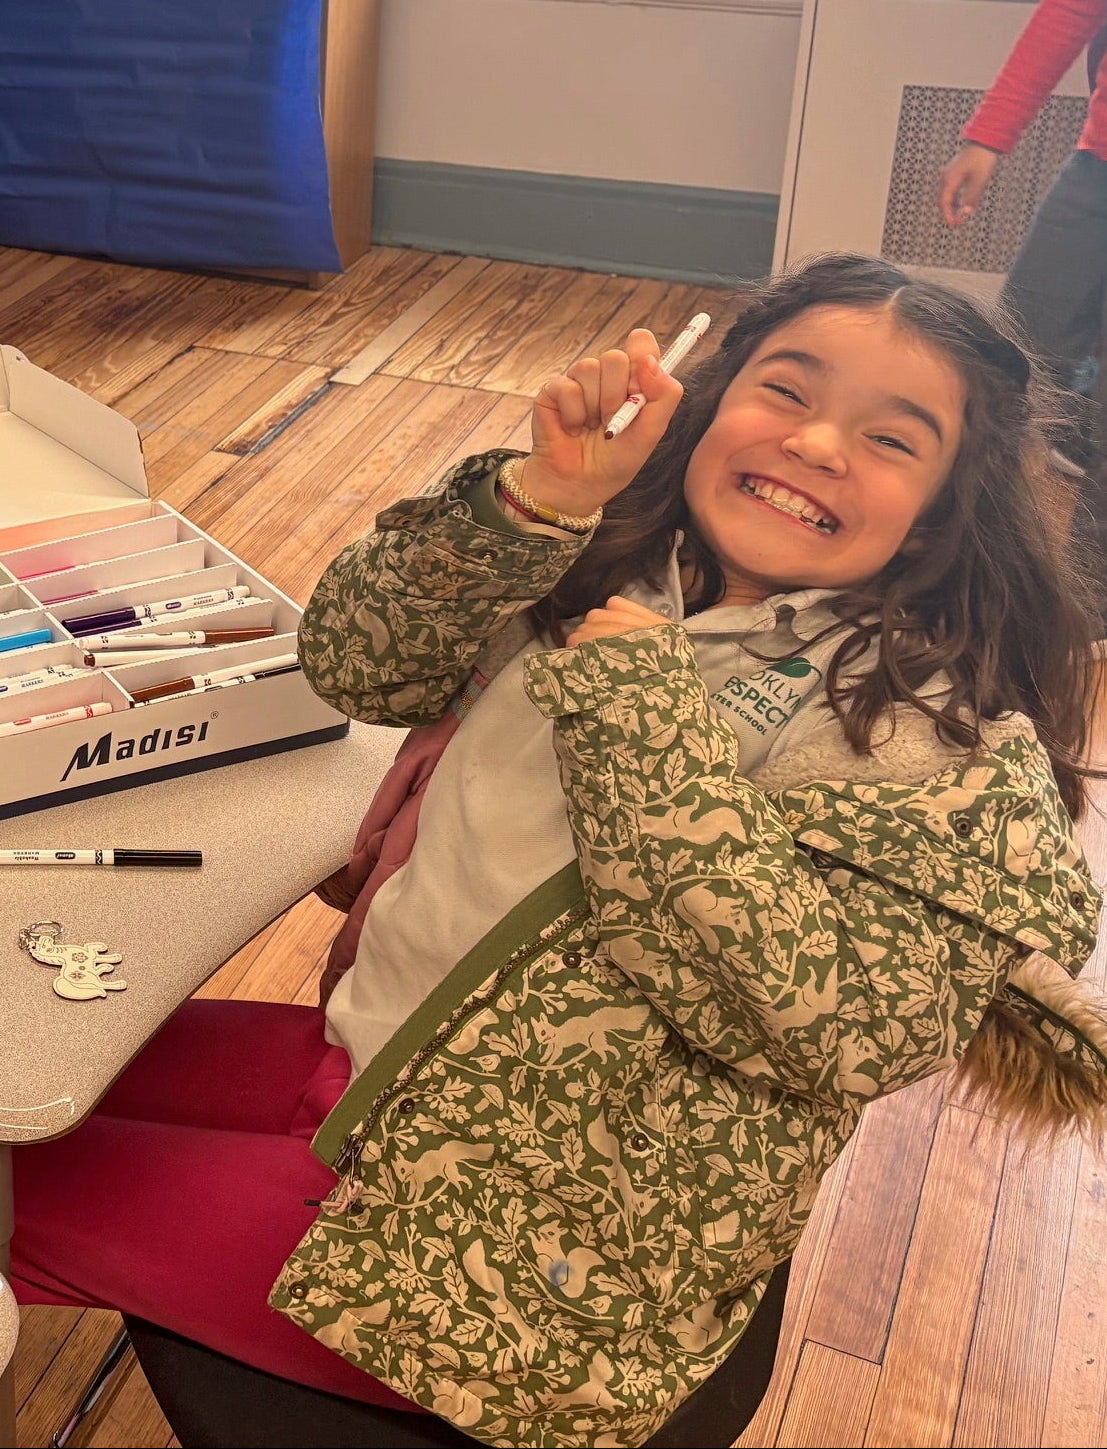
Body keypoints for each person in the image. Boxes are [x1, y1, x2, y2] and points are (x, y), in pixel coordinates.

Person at [11, 254, 1107, 1449]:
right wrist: (534, 500)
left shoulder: (935, 738)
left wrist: (639, 707)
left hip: (521, 1254)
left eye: (892, 439)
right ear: (708, 401)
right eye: (786, 390)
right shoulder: (609, 557)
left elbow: (837, 1026)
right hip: (377, 1064)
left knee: (24, 1197)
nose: (816, 442)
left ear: (943, 507)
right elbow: (360, 664)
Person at [939, 1, 1107, 565]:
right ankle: (952, 561)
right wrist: (987, 137)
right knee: (1010, 363)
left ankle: (1092, 605)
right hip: (1096, 173)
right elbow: (1069, 11)